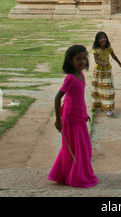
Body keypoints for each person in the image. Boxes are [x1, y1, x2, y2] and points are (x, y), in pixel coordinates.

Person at [47, 45, 98, 188]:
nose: (82, 62)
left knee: (84, 146)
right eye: (78, 59)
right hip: (70, 118)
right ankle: (75, 177)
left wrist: (85, 113)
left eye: (84, 58)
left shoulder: (80, 75)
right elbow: (58, 98)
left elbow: (78, 97)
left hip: (79, 116)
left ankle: (67, 173)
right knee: (78, 147)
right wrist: (58, 119)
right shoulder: (70, 78)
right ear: (70, 61)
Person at [91, 31, 121, 116]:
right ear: (97, 40)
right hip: (98, 71)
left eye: (104, 37)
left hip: (107, 71)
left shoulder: (109, 48)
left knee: (108, 88)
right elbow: (96, 60)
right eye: (101, 38)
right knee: (99, 88)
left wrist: (119, 63)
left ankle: (109, 108)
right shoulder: (96, 49)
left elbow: (113, 56)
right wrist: (103, 64)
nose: (103, 39)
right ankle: (99, 105)